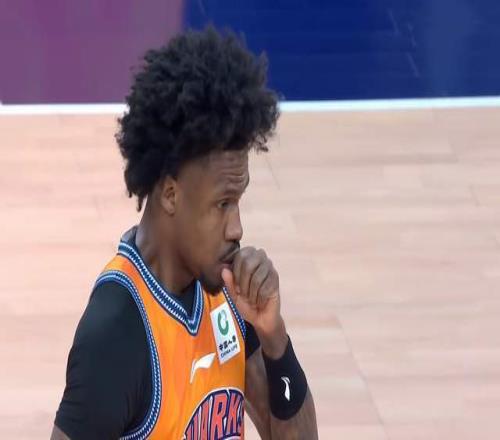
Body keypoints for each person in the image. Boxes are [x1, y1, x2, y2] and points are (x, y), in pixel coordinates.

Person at [51, 26, 318, 440]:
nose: (237, 227)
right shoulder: (117, 332)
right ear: (171, 194)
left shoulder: (228, 293)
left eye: (238, 201)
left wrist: (273, 336)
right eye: (222, 204)